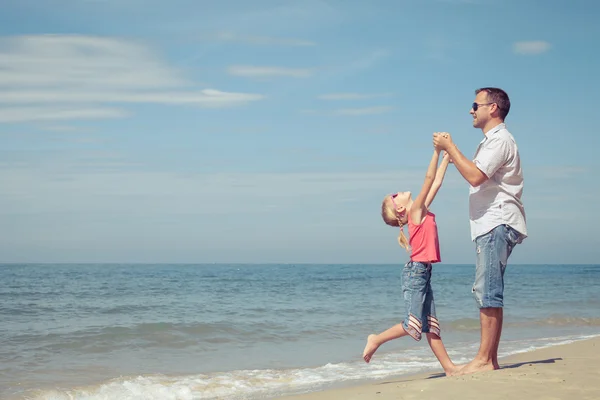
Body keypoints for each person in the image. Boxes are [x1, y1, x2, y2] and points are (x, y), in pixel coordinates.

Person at [432, 87, 527, 375]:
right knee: (489, 290)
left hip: (496, 221)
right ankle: (490, 359)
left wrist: (450, 148)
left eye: (476, 105)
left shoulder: (500, 141)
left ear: (493, 108)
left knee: (487, 291)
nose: (471, 110)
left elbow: (475, 176)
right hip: (492, 222)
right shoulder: (492, 141)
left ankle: (484, 360)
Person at [362, 146, 459, 376]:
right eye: (394, 197)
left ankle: (450, 369)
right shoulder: (415, 211)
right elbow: (428, 178)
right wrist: (436, 152)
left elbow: (435, 183)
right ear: (402, 209)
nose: (398, 192)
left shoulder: (420, 209)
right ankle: (376, 339)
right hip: (416, 273)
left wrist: (447, 158)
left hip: (423, 272)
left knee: (431, 325)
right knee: (413, 325)